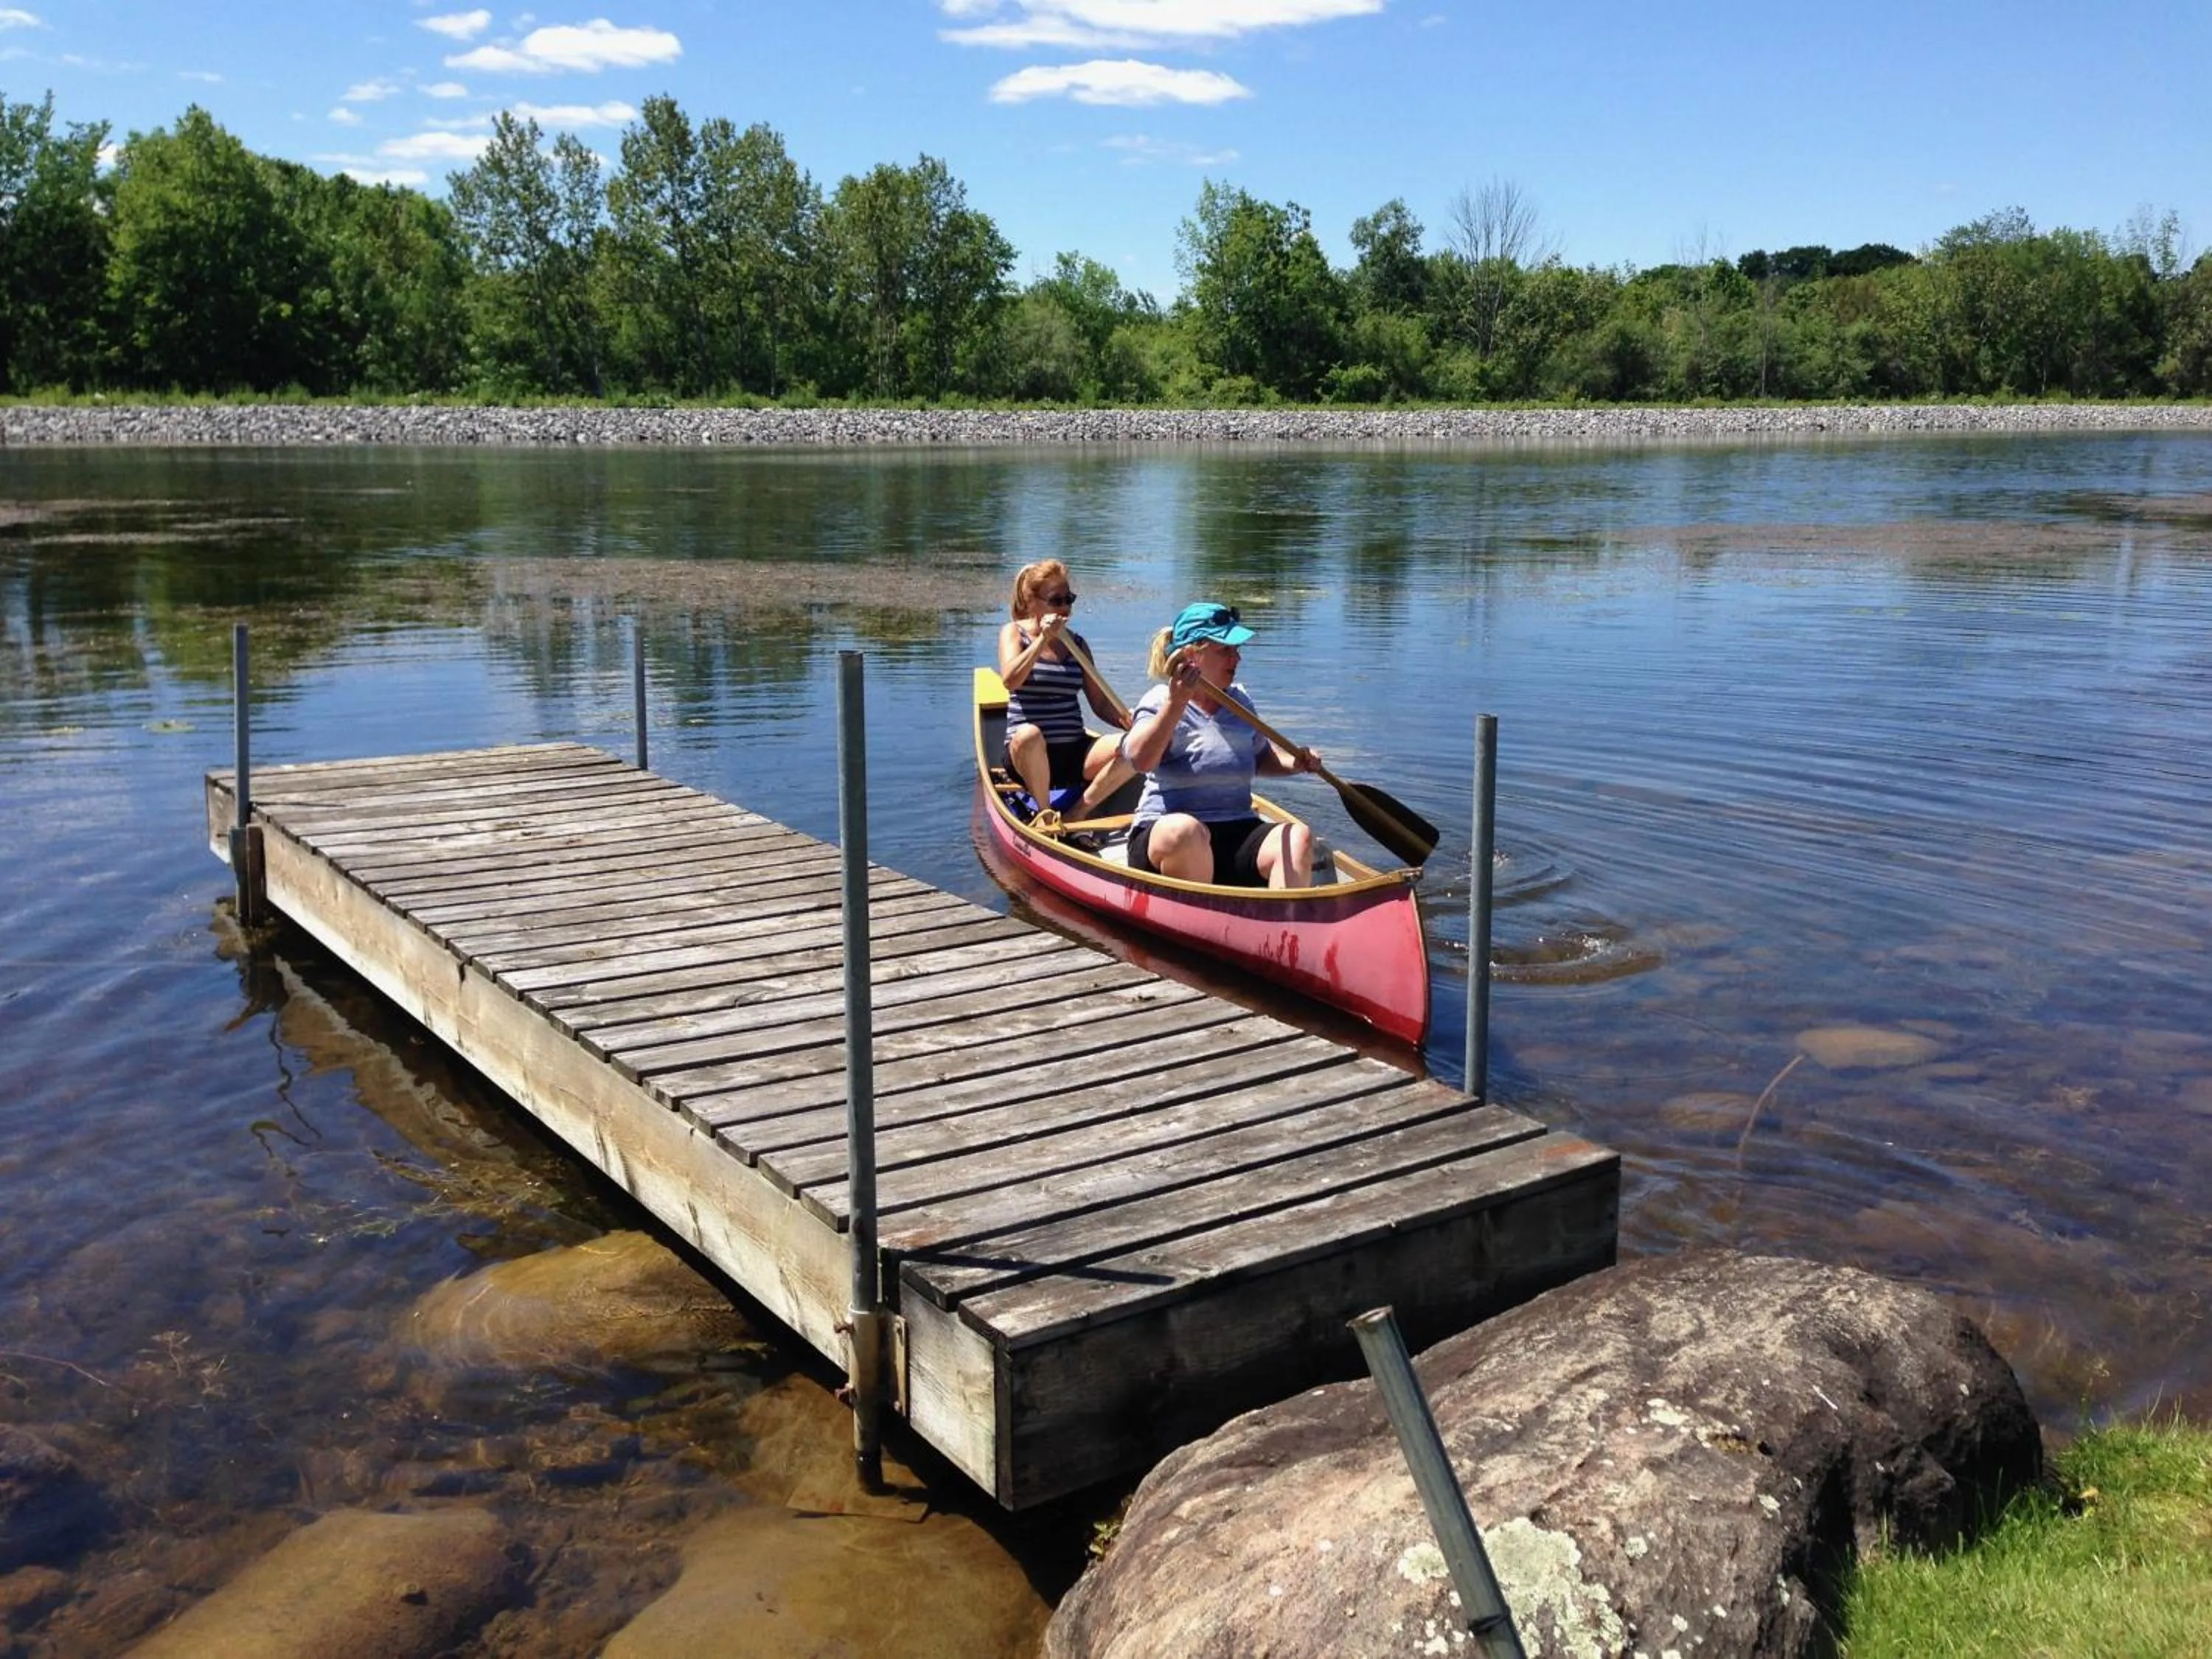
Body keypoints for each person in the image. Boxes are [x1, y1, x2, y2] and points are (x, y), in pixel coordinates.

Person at [1119, 600, 1321, 888]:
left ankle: (1285, 916)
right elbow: (1141, 761)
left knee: (1297, 836)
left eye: (1236, 650)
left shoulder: (1240, 702)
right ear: (1191, 656)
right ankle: (1199, 913)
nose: (1236, 658)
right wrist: (1176, 704)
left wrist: (1296, 763)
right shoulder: (1159, 701)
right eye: (1225, 650)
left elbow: (1260, 758)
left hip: (1236, 828)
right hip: (1169, 835)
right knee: (1186, 831)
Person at [996, 559, 1134, 827]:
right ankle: (1044, 813)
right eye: (1056, 600)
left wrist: (1127, 720)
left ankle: (1078, 812)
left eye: (1068, 599)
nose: (1065, 608)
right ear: (1031, 602)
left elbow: (1100, 704)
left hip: (1073, 753)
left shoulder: (1077, 644)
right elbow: (1010, 680)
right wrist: (1043, 640)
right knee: (1029, 735)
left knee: (1136, 745)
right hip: (1027, 757)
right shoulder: (1014, 633)